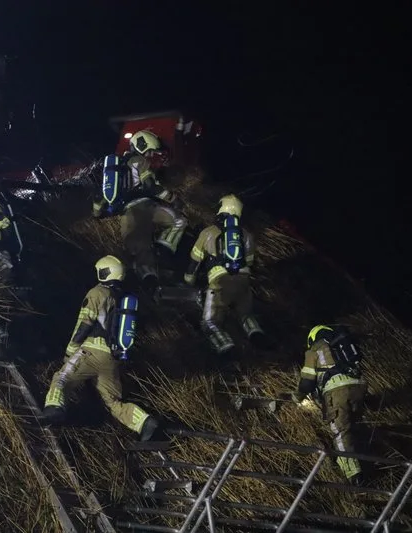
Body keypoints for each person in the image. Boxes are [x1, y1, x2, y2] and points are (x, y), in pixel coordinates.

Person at [41, 255, 160, 442]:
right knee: (113, 402)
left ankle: (53, 410)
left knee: (61, 378)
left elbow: (84, 323)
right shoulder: (121, 298)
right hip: (112, 358)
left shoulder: (98, 293)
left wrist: (70, 350)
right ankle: (145, 422)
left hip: (91, 351)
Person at [93, 130, 186, 293]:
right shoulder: (139, 161)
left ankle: (149, 283)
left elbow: (101, 197)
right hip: (147, 207)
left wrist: (97, 214)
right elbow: (150, 186)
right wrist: (173, 198)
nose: (151, 155)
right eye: (150, 151)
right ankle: (163, 254)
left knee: (139, 248)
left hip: (127, 215)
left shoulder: (115, 169)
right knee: (179, 221)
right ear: (142, 146)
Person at [183, 194, 265, 354]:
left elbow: (195, 260)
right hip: (243, 281)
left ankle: (226, 347)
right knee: (245, 314)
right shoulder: (246, 235)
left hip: (219, 282)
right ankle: (256, 333)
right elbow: (249, 262)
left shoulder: (208, 233)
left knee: (210, 323)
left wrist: (188, 282)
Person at [292, 325, 367, 485]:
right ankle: (359, 457)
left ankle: (354, 476)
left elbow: (306, 383)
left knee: (340, 431)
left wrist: (297, 397)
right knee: (352, 425)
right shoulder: (341, 345)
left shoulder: (314, 351)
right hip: (359, 387)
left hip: (337, 391)